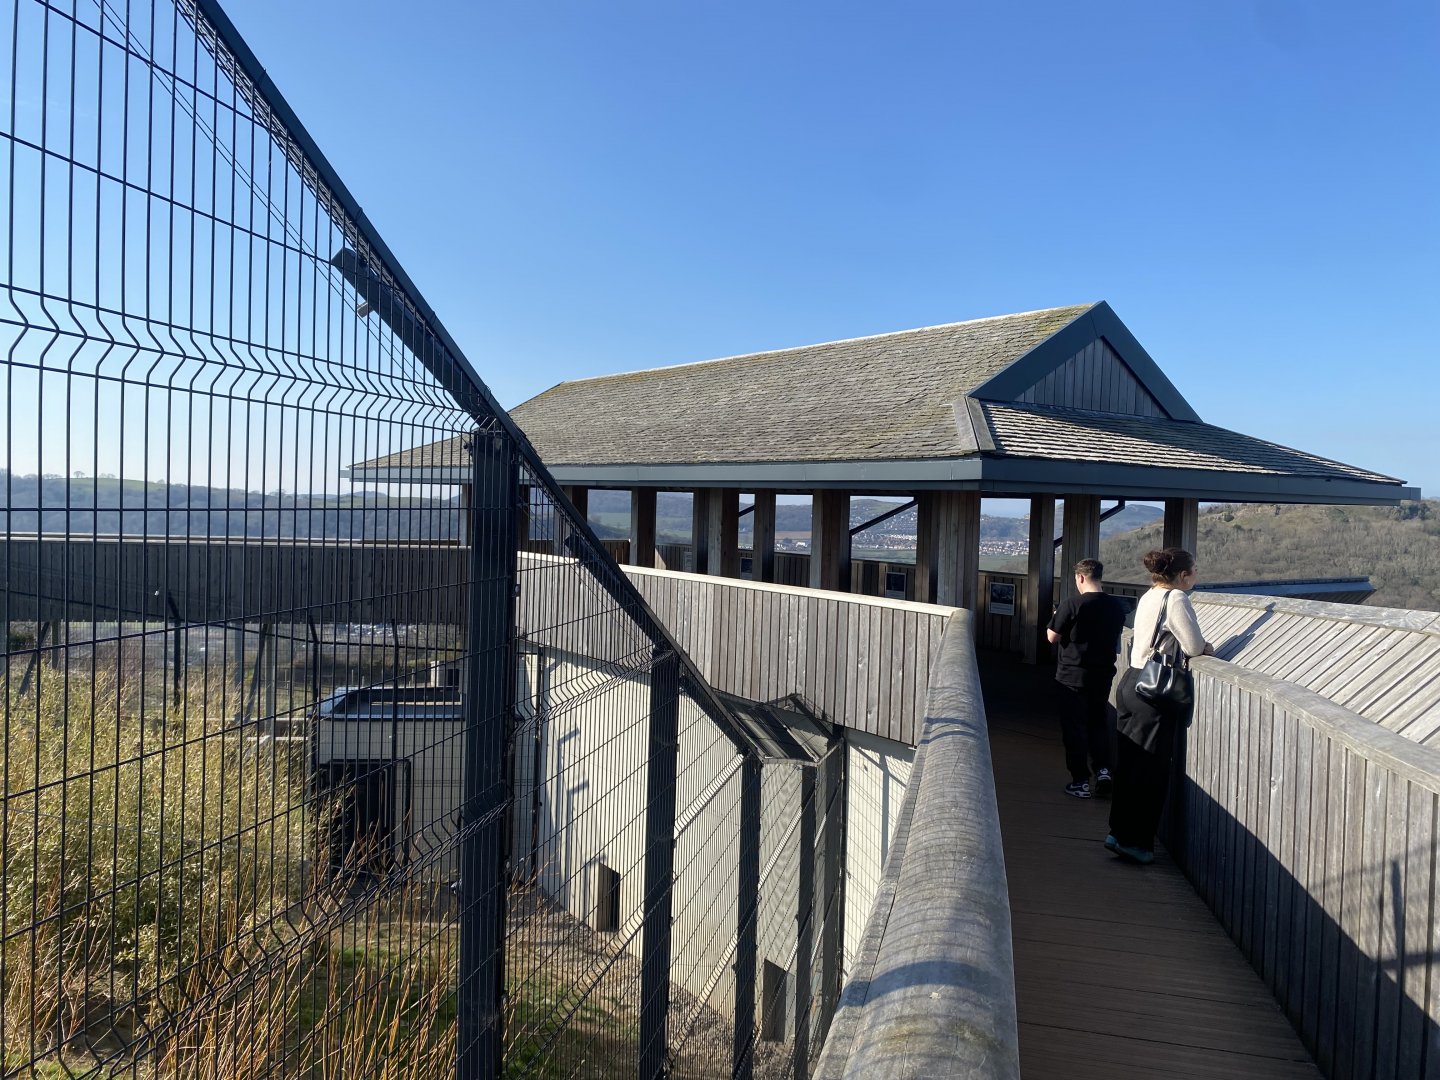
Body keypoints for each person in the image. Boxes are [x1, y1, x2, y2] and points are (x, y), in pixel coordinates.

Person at [1107, 547, 1214, 864]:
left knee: (1129, 764)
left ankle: (1118, 832)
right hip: (1153, 691)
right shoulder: (1177, 598)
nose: (1197, 575)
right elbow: (1193, 646)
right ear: (1182, 575)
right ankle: (1135, 842)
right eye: (1194, 570)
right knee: (1150, 769)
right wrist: (1206, 647)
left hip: (1132, 680)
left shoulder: (1149, 595)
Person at [1046, 559, 1127, 799]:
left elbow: (1052, 636)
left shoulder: (1072, 604)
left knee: (1075, 728)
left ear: (1080, 578)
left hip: (1072, 676)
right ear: (1099, 577)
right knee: (1098, 724)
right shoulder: (1116, 607)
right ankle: (1103, 771)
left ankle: (1080, 781)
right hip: (1102, 675)